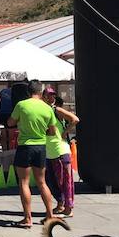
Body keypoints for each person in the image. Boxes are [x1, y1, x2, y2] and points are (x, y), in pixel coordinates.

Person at [7, 79, 59, 229]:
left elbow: (10, 122)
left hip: (25, 147)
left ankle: (27, 218)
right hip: (41, 147)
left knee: (24, 182)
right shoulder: (47, 107)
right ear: (40, 92)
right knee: (42, 182)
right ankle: (50, 215)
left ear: (28, 91)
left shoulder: (22, 105)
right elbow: (52, 131)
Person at [43, 87, 79, 217]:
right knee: (50, 180)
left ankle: (68, 208)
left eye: (53, 95)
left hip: (60, 150)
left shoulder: (56, 110)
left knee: (66, 181)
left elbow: (75, 119)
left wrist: (65, 132)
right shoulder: (43, 110)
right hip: (48, 151)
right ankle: (60, 203)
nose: (50, 97)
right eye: (48, 95)